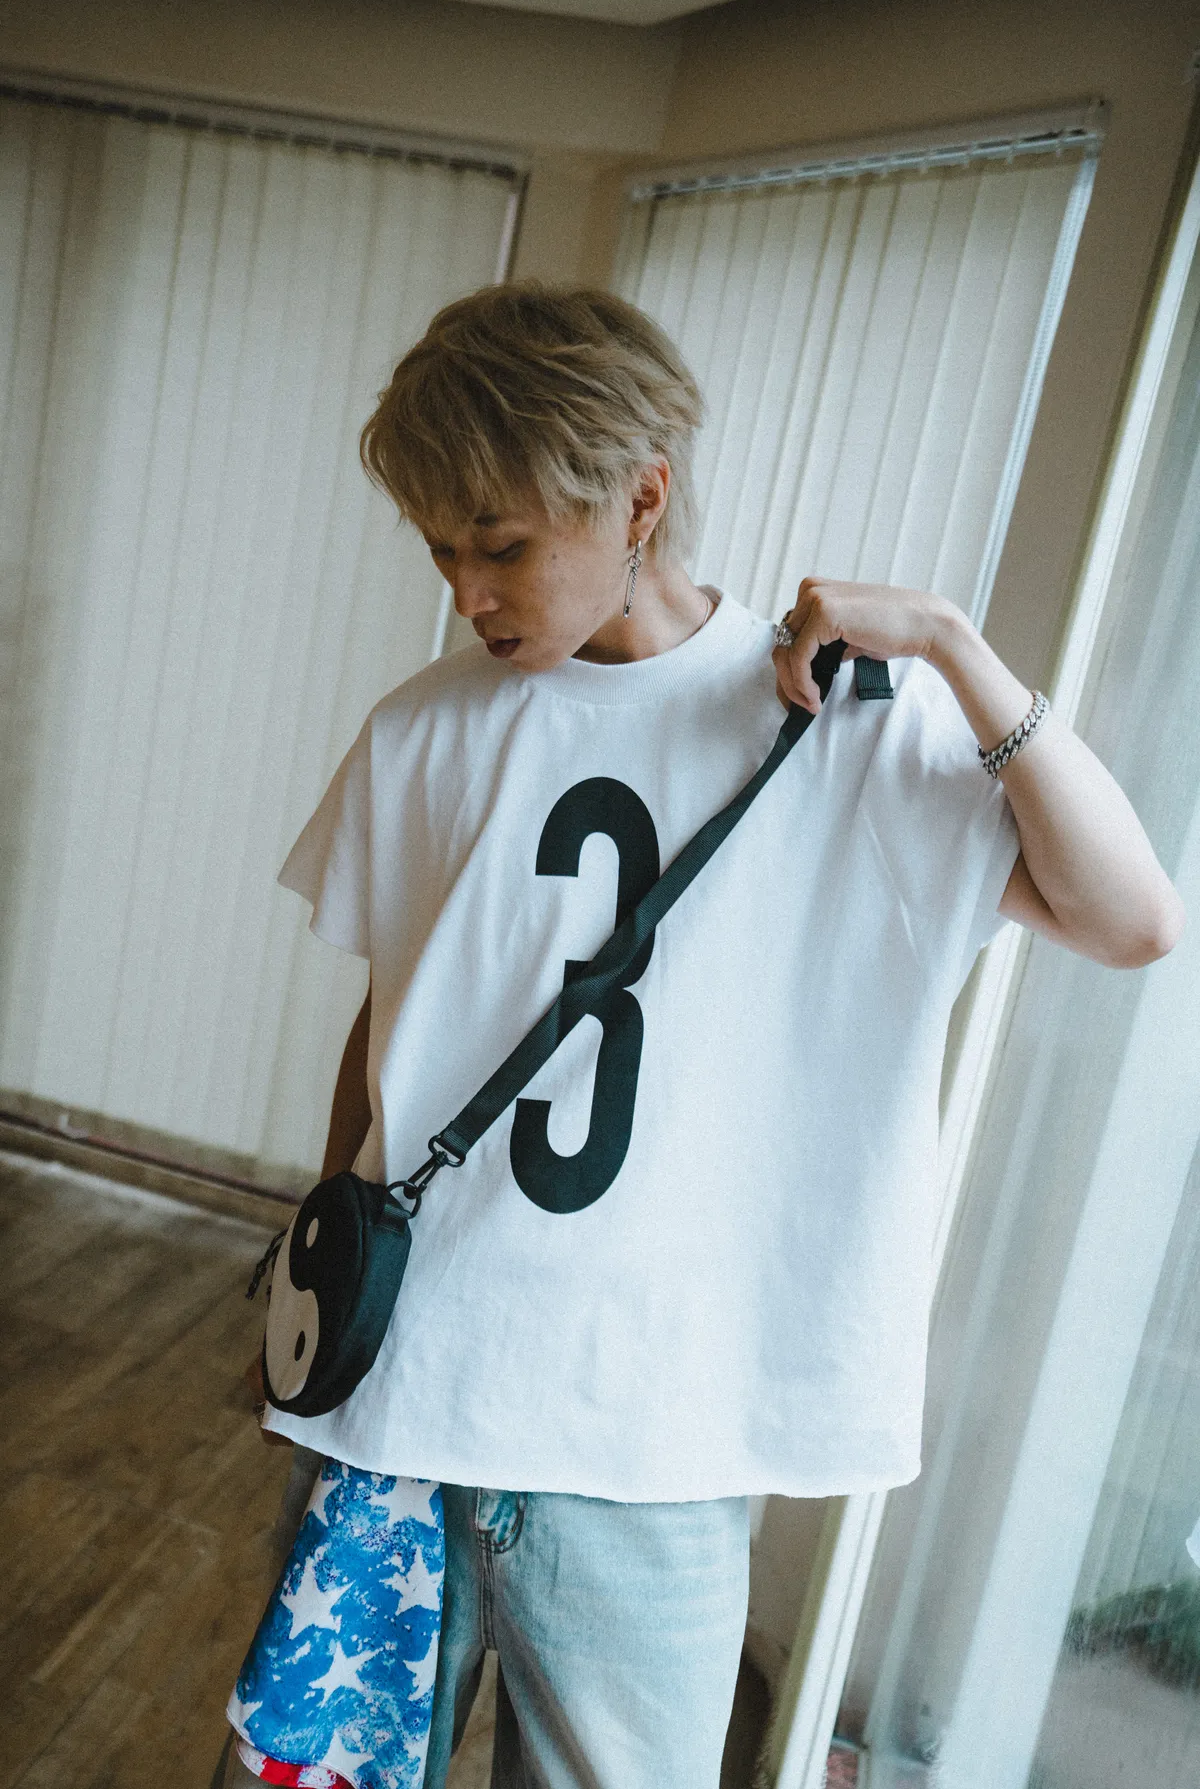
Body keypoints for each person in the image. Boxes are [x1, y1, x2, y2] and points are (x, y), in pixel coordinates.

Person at [223, 283, 1184, 1789]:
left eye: (500, 546)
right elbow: (393, 1024)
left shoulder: (848, 726)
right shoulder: (422, 730)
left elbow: (1132, 921)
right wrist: (316, 1294)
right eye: (440, 550)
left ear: (641, 498)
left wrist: (952, 644)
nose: (466, 592)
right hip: (406, 1399)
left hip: (655, 1443)